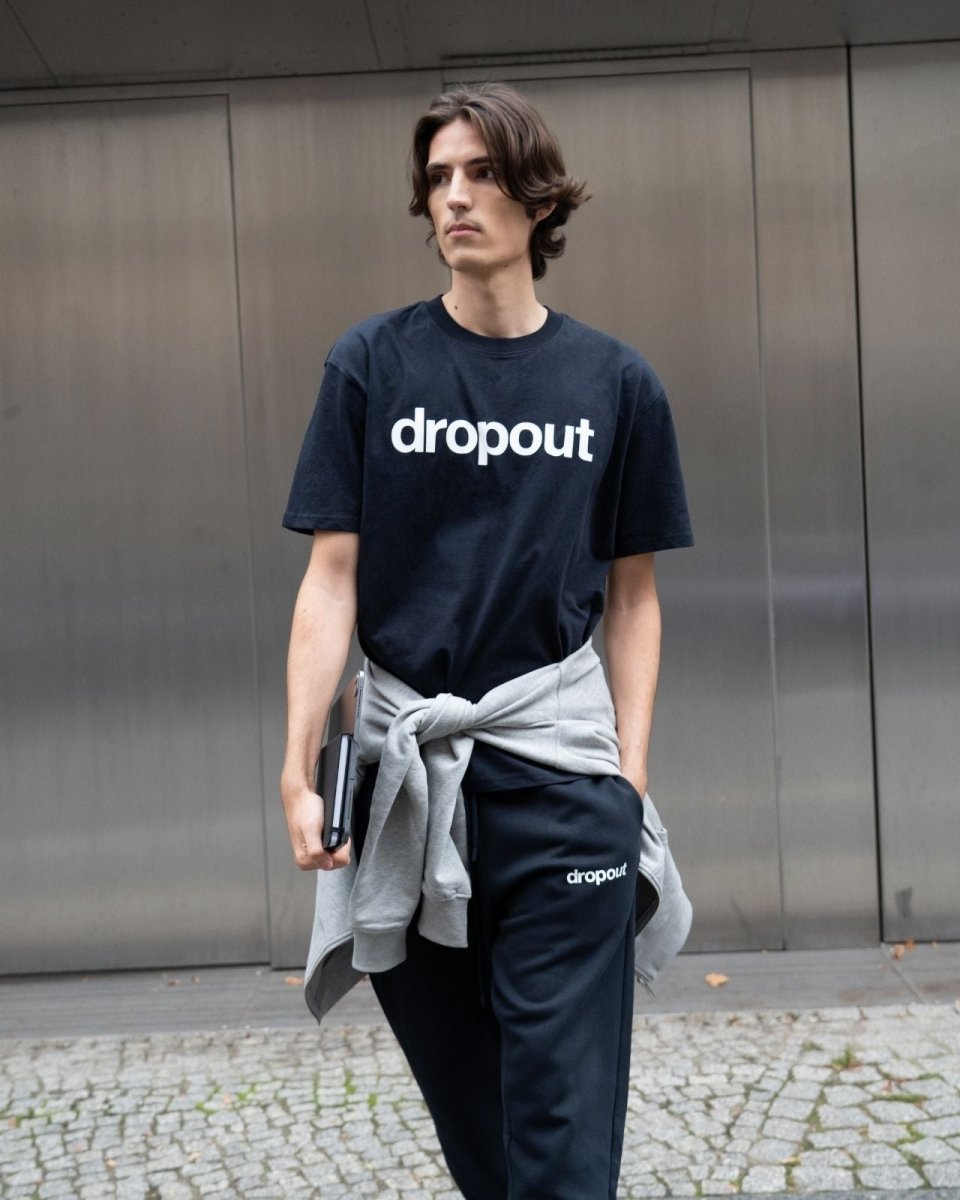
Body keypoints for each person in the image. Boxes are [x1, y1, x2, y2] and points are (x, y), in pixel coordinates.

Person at [280, 82, 693, 1200]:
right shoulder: (370, 366)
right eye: (438, 178)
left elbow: (635, 596)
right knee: (487, 1144)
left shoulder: (615, 383)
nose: (453, 197)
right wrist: (298, 762)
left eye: (479, 173)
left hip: (562, 789)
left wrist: (629, 772)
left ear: (537, 196)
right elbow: (331, 580)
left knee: (560, 1148)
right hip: (408, 790)